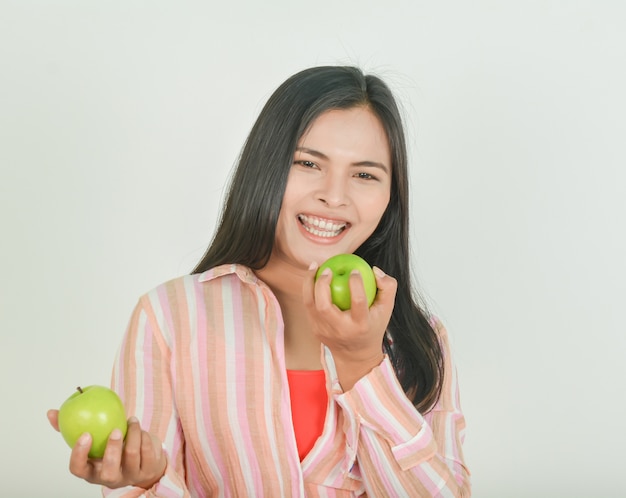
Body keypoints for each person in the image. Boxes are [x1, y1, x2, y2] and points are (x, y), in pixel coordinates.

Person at [48, 65, 471, 497]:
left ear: (390, 196)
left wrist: (363, 364)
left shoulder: (422, 339)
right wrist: (150, 479)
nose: (335, 196)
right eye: (307, 163)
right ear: (265, 169)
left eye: (364, 175)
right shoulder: (170, 317)